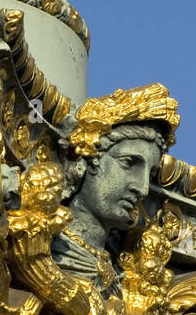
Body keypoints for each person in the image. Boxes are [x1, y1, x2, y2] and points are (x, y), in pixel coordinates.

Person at [52, 83, 180, 292]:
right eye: (129, 163)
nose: (143, 189)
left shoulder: (119, 277)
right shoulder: (44, 251)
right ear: (88, 157)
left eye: (150, 174)